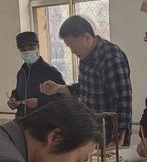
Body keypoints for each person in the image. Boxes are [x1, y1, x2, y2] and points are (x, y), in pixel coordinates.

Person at [40, 16, 132, 145]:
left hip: (110, 135)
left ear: (87, 37)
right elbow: (85, 88)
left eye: (72, 45)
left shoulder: (110, 56)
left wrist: (117, 137)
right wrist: (59, 89)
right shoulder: (85, 57)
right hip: (92, 132)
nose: (72, 51)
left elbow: (123, 99)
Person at [7, 31, 65, 118]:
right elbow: (18, 92)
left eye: (31, 48)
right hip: (23, 122)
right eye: (24, 50)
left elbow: (64, 100)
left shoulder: (51, 72)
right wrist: (13, 99)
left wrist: (39, 102)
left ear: (38, 48)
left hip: (44, 123)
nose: (28, 52)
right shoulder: (21, 72)